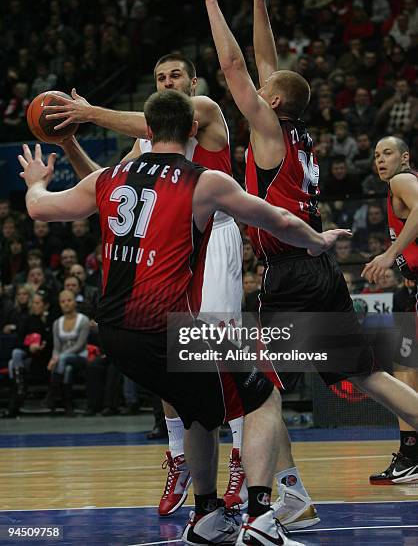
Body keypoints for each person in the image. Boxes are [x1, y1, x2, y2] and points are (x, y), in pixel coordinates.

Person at [19, 90, 351, 546]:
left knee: (198, 410)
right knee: (264, 397)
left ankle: (207, 515)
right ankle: (258, 517)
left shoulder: (111, 178)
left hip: (115, 335)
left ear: (147, 132)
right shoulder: (204, 181)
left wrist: (37, 179)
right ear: (193, 130)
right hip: (166, 330)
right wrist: (317, 240)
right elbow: (279, 220)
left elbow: (40, 207)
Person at [205, 0, 418, 543]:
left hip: (291, 273)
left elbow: (232, 66)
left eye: (262, 88)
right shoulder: (292, 128)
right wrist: (259, 4)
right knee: (369, 373)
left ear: (270, 103)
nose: (259, 81)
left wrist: (213, 3)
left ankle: (271, 507)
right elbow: (267, 63)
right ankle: (293, 498)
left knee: (261, 387)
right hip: (320, 267)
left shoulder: (269, 131)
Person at [44, 58, 246, 513]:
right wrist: (72, 142)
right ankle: (179, 457)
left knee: (215, 354)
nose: (168, 83)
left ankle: (240, 456)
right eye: (159, 78)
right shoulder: (145, 142)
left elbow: (162, 119)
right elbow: (108, 187)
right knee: (166, 350)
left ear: (192, 83)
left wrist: (90, 112)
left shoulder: (207, 112)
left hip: (215, 238)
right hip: (169, 245)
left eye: (175, 76)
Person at [362, 136, 418, 483]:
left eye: (387, 153)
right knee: (407, 372)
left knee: (405, 373)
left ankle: (410, 455)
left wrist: (387, 254)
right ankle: (411, 455)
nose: (380, 160)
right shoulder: (395, 189)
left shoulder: (403, 179)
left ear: (405, 157)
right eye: (376, 155)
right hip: (411, 291)